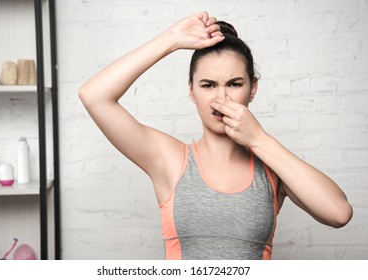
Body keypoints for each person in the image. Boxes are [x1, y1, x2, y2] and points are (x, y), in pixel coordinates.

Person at [78, 11, 353, 260]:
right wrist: (171, 39)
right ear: (191, 91)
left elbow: (339, 213)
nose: (221, 98)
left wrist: (258, 139)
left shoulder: (272, 166)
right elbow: (94, 96)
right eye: (208, 85)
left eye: (234, 84)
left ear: (252, 89)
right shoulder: (171, 160)